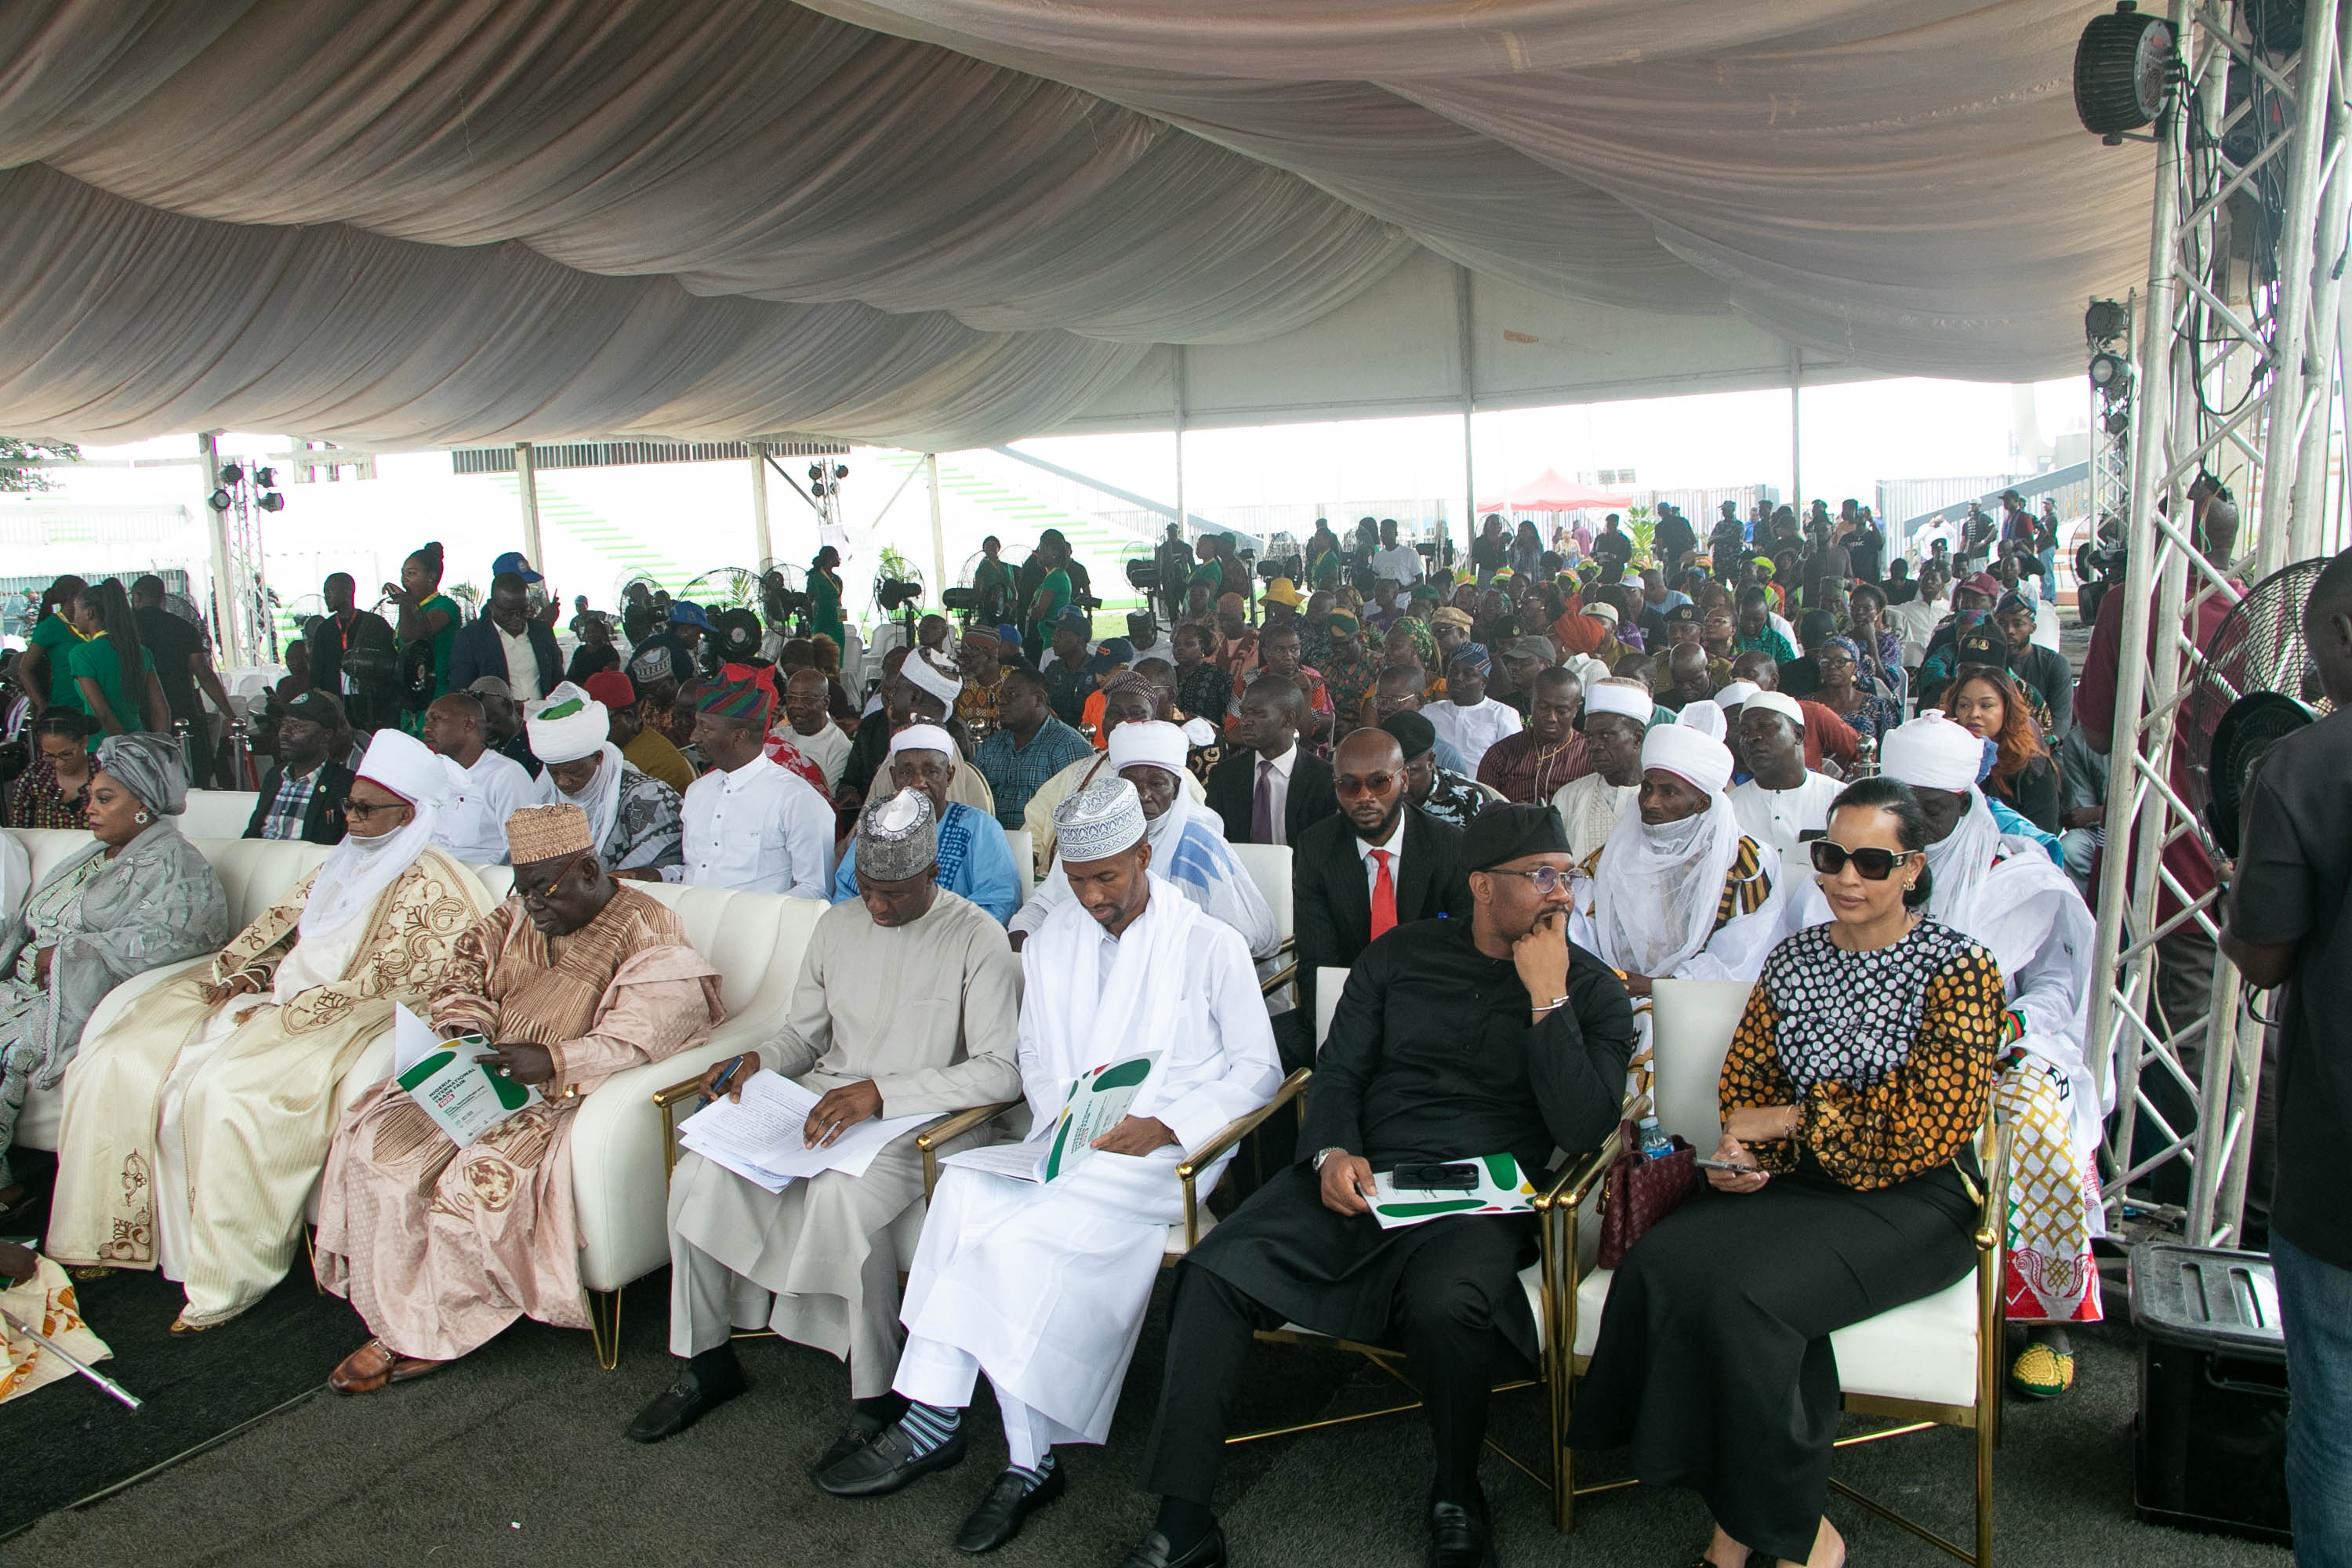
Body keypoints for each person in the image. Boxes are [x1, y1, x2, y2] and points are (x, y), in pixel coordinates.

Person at [1127, 804, 1632, 1568]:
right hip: (1364, 1172)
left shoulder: (1591, 990)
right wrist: (1331, 1151)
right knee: (1212, 1272)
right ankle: (1184, 1516)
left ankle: (1458, 1492)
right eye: (1540, 876)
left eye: (1569, 876)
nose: (1561, 892)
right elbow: (1341, 1072)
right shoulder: (1398, 956)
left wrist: (1547, 999)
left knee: (1448, 1301)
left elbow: (1585, 1124)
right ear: (1482, 885)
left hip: (1478, 1199)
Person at [814, 780, 1281, 1555]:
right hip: (1072, 1138)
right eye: (1077, 877)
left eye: (1109, 877)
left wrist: (1165, 1121)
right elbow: (1035, 1057)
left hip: (1168, 1156)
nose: (1093, 895)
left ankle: (991, 1446)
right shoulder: (1055, 937)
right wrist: (1073, 1115)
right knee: (962, 1190)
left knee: (1008, 1243)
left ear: (1144, 855)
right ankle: (984, 1437)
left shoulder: (1209, 943)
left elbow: (1257, 1070)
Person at [1572, 776, 2003, 1568]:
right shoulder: (1797, 954)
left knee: (1746, 1297)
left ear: (1913, 868)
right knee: (1664, 1263)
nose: (1846, 876)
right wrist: (1749, 1156)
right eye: (1832, 854)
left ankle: (1784, 1539)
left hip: (1916, 1198)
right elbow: (1749, 1087)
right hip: (1799, 1184)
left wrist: (1796, 1120)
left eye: (1872, 861)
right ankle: (1761, 1524)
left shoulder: (1959, 966)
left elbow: (1927, 1124)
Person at [46, 731, 489, 1330]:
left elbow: (422, 980)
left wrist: (306, 1002)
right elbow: (279, 937)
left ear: (408, 814)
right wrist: (252, 972)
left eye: (363, 809)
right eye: (348, 807)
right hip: (268, 1002)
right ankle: (110, 1237)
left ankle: (224, 1278)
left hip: (334, 1018)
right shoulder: (342, 862)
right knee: (119, 1057)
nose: (349, 818)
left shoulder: (438, 884)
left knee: (226, 1094)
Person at [629, 789, 1025, 1450]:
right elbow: (803, 1040)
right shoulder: (837, 925)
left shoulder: (976, 937)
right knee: (699, 1172)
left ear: (932, 875)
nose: (876, 905)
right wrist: (757, 1060)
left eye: (894, 893)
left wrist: (881, 1093)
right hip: (821, 1104)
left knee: (844, 1198)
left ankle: (877, 1393)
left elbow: (999, 1073)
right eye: (867, 888)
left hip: (922, 1120)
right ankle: (705, 1361)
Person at [319, 804, 724, 1391]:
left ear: (588, 871)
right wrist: (467, 1028)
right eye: (523, 888)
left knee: (470, 1188)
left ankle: (431, 1328)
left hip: (560, 1098)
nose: (531, 905)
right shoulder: (517, 913)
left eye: (543, 890)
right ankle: (396, 1306)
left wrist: (555, 1060)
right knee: (380, 1148)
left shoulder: (648, 926)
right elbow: (462, 975)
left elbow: (648, 1032)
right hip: (482, 1077)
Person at [2220, 545, 2352, 1564]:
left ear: (2343, 633)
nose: (2305, 680)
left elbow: (2262, 950)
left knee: (2339, 1434)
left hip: (2339, 1166)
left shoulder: (2305, 763)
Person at [0, 735, 230, 1207]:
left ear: (144, 807)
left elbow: (184, 938)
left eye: (105, 799)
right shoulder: (91, 854)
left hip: (72, 995)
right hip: (20, 984)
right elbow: (29, 917)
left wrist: (73, 950)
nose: (91, 807)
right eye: (91, 796)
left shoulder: (178, 865)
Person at [1571, 724, 1784, 1100]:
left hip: (1709, 1010)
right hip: (1613, 994)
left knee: (1651, 1022)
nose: (1651, 803)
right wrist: (1611, 983)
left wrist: (1656, 988)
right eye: (1648, 789)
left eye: (1669, 792)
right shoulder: (1611, 859)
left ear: (1702, 803)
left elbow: (1741, 961)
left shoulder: (1748, 865)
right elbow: (1580, 938)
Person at [1012, 721, 1275, 972]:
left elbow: (1246, 937)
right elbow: (1045, 905)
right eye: (1131, 785)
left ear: (1176, 787)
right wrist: (1021, 938)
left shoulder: (1200, 844)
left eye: (1157, 783)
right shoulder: (1092, 837)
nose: (1143, 795)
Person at [1287, 726, 1472, 1065]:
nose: (1364, 796)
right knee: (1264, 1050)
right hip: (1347, 1009)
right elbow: (1318, 962)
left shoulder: (1450, 847)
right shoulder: (1316, 847)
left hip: (1432, 1014)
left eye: (1378, 782)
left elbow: (1463, 961)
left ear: (1403, 779)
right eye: (1349, 784)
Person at [667, 670, 836, 898]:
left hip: (754, 929)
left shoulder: (796, 800)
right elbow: (699, 871)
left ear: (739, 737)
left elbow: (816, 890)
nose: (693, 737)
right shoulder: (698, 791)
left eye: (705, 728)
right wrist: (659, 876)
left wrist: (746, 917)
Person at [834, 725, 1020, 924]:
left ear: (949, 776)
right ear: (893, 776)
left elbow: (998, 904)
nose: (918, 782)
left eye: (931, 772)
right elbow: (844, 897)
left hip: (949, 943)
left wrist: (932, 935)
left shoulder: (980, 827)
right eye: (906, 773)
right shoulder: (875, 825)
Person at [528, 682, 683, 878]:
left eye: (572, 772)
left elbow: (670, 873)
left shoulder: (649, 797)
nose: (562, 783)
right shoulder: (547, 796)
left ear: (598, 758)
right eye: (553, 773)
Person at [420, 691, 550, 865]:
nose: (426, 728)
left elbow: (528, 850)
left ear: (468, 724)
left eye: (435, 719)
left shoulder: (505, 775)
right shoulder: (437, 772)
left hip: (481, 882)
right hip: (432, 874)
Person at [1205, 677, 1335, 848]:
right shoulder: (1223, 776)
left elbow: (1327, 847)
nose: (1245, 722)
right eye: (1243, 713)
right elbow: (1215, 842)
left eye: (1258, 713)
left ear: (1288, 719)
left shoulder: (1324, 778)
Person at [130, 575, 234, 787]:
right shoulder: (184, 627)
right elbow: (202, 672)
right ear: (164, 599)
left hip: (139, 711)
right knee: (193, 774)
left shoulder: (127, 630)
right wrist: (230, 714)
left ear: (136, 597)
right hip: (183, 706)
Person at [973, 664, 1094, 834]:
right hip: (992, 843)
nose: (1002, 701)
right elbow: (973, 800)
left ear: (1039, 699)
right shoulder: (991, 745)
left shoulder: (1068, 746)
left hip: (1043, 851)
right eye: (1002, 695)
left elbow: (1081, 817)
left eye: (1012, 694)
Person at [1945, 667, 2060, 834]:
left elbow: (2041, 837)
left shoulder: (2033, 767)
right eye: (1964, 705)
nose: (1974, 714)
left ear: (2007, 709)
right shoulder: (1944, 757)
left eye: (1986, 706)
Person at [1728, 691, 1842, 862]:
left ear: (1798, 734)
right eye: (1744, 731)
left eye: (1765, 725)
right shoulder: (1730, 808)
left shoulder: (1839, 800)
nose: (1752, 737)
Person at [1552, 677, 1650, 864]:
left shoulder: (1657, 802)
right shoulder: (1568, 797)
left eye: (1606, 736)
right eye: (1589, 737)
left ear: (1637, 739)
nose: (1594, 746)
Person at [243, 690, 356, 844]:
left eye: (297, 726)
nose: (285, 733)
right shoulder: (275, 776)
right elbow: (252, 833)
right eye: (284, 724)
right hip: (260, 860)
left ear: (326, 736)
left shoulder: (344, 784)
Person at [66, 579, 168, 742]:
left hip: (104, 747)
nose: (74, 616)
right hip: (140, 742)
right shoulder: (139, 651)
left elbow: (102, 713)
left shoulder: (81, 654)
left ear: (89, 613)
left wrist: (125, 746)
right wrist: (160, 745)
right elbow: (160, 709)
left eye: (76, 610)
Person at [303, 572, 398, 735]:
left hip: (373, 707)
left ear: (348, 592)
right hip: (337, 709)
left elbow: (390, 664)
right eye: (325, 592)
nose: (326, 596)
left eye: (330, 591)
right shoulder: (325, 629)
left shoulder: (374, 624)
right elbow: (317, 670)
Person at [1476, 666, 1588, 804]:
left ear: (1577, 709)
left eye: (1562, 711)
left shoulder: (1589, 756)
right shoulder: (1501, 753)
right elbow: (1482, 810)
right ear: (1532, 701)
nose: (1551, 717)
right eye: (1544, 708)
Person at [447, 573, 561, 703]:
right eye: (509, 613)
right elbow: (461, 691)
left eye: (524, 610)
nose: (517, 617)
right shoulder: (470, 638)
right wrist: (507, 707)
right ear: (491, 606)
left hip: (543, 718)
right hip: (497, 721)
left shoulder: (542, 631)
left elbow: (558, 682)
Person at [587, 670, 694, 797]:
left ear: (629, 717)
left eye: (598, 722)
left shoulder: (661, 764)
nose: (590, 731)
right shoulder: (604, 749)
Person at [1384, 710, 1487, 831]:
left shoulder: (1469, 798)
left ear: (1430, 761)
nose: (1401, 784)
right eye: (1390, 774)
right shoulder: (1371, 794)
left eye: (1410, 773)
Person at [1425, 650, 1521, 775]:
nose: (1457, 678)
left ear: (1484, 683)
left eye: (1468, 674)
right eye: (1453, 672)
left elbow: (1514, 765)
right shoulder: (1429, 712)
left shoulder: (1503, 714)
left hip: (1486, 791)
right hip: (1438, 790)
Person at [16, 575, 89, 722]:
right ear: (73, 598)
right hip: (66, 707)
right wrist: (42, 706)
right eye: (85, 596)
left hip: (95, 706)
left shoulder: (91, 622)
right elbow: (25, 669)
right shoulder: (51, 626)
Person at [5, 711, 96, 829]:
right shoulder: (34, 776)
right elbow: (19, 829)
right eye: (50, 756)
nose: (59, 763)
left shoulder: (103, 772)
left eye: (67, 754)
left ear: (84, 742)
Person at [1371, 518, 1423, 588]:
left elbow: (1420, 581)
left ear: (1396, 534)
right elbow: (1376, 577)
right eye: (1382, 532)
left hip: (1404, 598)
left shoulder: (1410, 554)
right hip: (1384, 598)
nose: (1384, 535)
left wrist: (1401, 591)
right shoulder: (1378, 556)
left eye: (1388, 532)